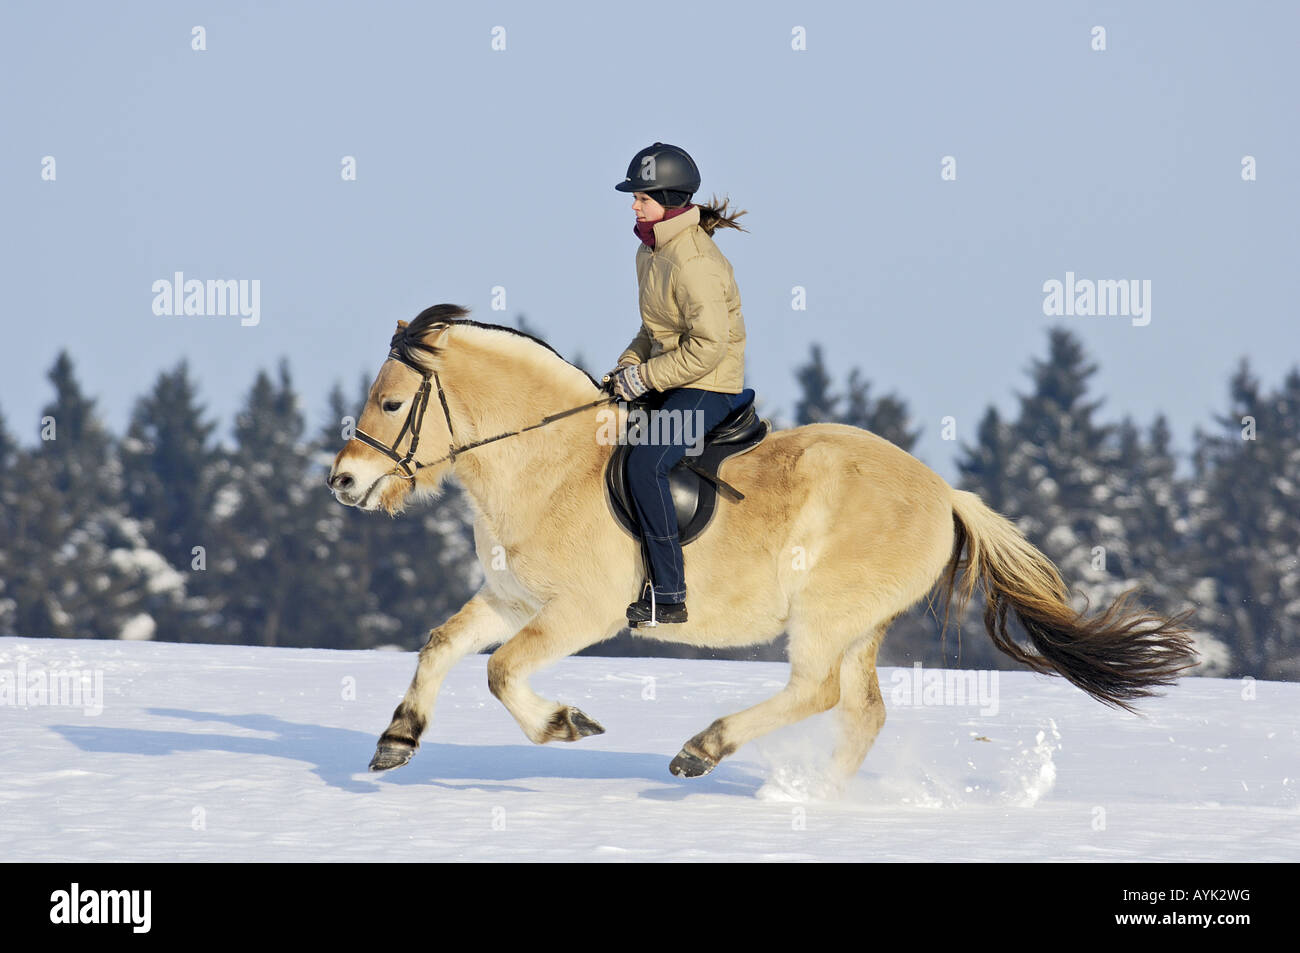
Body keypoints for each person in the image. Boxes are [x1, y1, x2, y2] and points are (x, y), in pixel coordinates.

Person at [602, 142, 749, 625]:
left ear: (666, 201)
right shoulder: (651, 253)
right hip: (675, 376)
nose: (633, 203)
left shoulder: (694, 261)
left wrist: (643, 377)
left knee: (646, 463)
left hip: (710, 384)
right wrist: (627, 366)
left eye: (641, 197)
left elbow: (710, 346)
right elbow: (653, 330)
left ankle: (669, 592)